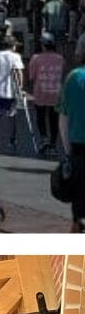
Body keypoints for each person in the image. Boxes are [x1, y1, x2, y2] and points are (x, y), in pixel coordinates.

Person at [0, 30, 25, 155]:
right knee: (11, 116)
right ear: (12, 46)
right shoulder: (15, 57)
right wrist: (21, 88)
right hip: (10, 92)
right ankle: (12, 140)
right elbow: (18, 72)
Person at [28, 35, 66, 154]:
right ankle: (53, 145)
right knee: (54, 120)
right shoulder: (61, 59)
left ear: (43, 45)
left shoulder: (36, 58)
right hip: (56, 93)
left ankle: (44, 139)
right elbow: (63, 75)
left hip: (40, 93)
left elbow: (31, 76)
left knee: (40, 117)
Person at [61, 42, 85, 233]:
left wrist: (67, 150)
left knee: (79, 198)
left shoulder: (73, 78)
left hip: (78, 146)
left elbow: (64, 116)